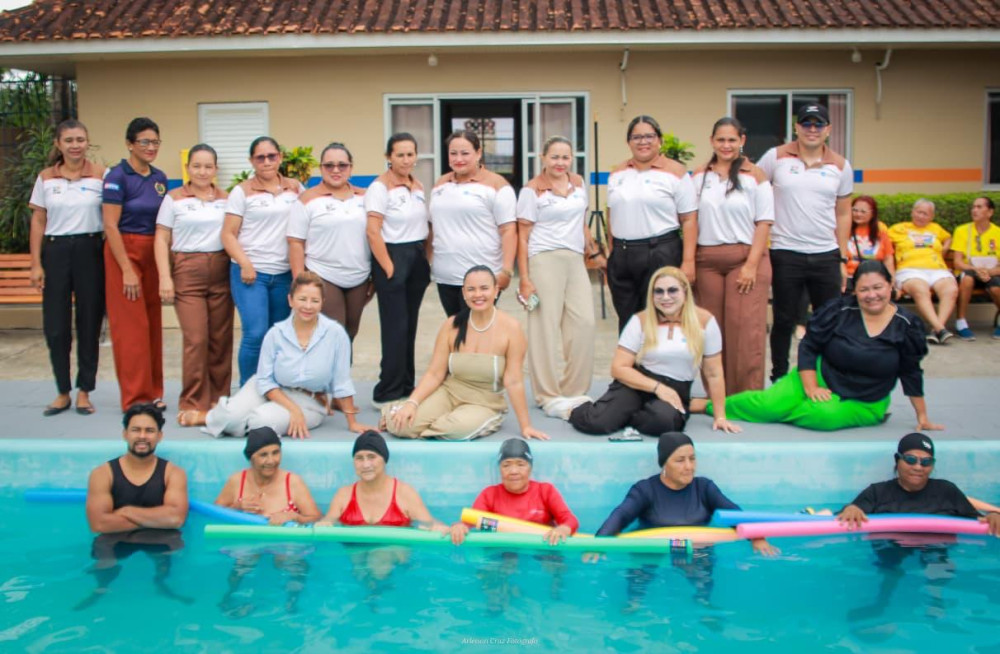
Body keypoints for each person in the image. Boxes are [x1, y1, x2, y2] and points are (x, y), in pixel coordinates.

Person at [719, 260, 940, 431]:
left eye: (878, 287)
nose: (871, 295)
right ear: (855, 291)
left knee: (824, 417)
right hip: (820, 376)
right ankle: (712, 406)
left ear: (890, 285)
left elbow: (911, 371)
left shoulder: (907, 325)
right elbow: (809, 346)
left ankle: (783, 409)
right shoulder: (839, 311)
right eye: (864, 290)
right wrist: (811, 387)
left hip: (865, 400)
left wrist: (922, 417)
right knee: (767, 405)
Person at [382, 266, 549, 441]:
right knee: (401, 426)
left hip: (484, 402)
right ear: (464, 293)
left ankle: (437, 423)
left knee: (453, 429)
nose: (478, 294)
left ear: (496, 290)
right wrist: (412, 403)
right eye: (471, 289)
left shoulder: (512, 328)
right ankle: (401, 413)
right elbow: (434, 373)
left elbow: (513, 381)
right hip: (448, 393)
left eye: (484, 288)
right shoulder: (451, 325)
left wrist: (526, 425)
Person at [569, 266, 739, 436]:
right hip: (638, 383)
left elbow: (714, 373)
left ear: (685, 291)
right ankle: (573, 408)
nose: (665, 297)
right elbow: (618, 368)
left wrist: (720, 417)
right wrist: (657, 388)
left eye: (672, 290)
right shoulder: (640, 320)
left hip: (676, 387)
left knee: (663, 423)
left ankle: (625, 415)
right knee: (597, 423)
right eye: (659, 292)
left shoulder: (705, 321)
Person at [203, 271, 373, 439]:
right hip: (269, 389)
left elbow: (342, 381)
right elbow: (264, 380)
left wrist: (352, 422)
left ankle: (223, 419)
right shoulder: (275, 333)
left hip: (310, 401)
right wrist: (293, 410)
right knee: (232, 416)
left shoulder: (336, 334)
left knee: (261, 421)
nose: (308, 306)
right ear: (290, 300)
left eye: (315, 301)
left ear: (322, 303)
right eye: (302, 299)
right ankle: (215, 418)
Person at [758, 104, 854, 382]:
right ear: (797, 127)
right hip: (785, 252)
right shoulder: (775, 157)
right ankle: (779, 377)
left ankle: (824, 376)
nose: (812, 130)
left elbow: (843, 212)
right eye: (807, 124)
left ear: (828, 130)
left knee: (828, 321)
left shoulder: (840, 165)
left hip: (826, 254)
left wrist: (843, 257)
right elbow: (754, 188)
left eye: (818, 125)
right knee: (784, 321)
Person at [516, 136, 602, 417]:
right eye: (554, 157)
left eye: (565, 157)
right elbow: (523, 236)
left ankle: (574, 391)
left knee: (584, 323)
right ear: (542, 158)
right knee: (544, 327)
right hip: (544, 260)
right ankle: (547, 394)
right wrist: (525, 278)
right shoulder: (532, 191)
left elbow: (582, 223)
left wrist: (592, 250)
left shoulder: (578, 184)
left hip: (575, 259)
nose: (560, 163)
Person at [28, 119, 105, 417]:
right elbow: (38, 221)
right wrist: (36, 263)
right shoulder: (46, 178)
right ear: (58, 144)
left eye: (80, 139)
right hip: (56, 252)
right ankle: (62, 392)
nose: (75, 145)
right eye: (69, 140)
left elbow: (110, 217)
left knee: (89, 323)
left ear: (87, 142)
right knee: (57, 328)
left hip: (90, 250)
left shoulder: (100, 175)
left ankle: (85, 391)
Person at [78, 403, 189, 608]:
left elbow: (176, 519)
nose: (142, 436)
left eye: (149, 430)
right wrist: (155, 520)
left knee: (172, 551)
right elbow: (99, 525)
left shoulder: (173, 473)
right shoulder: (102, 473)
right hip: (114, 539)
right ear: (125, 434)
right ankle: (101, 589)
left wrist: (127, 512)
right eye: (136, 430)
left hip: (160, 538)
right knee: (105, 560)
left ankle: (162, 583)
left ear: (159, 436)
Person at [692, 117, 774, 394]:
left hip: (746, 258)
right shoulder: (699, 176)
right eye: (720, 140)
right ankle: (718, 395)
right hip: (707, 261)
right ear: (712, 141)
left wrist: (752, 265)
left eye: (732, 140)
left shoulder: (756, 175)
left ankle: (747, 395)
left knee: (744, 329)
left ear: (742, 141)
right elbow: (689, 221)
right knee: (711, 330)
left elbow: (764, 222)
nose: (726, 145)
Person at [154, 143, 233, 427]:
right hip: (188, 271)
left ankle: (219, 399)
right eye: (197, 166)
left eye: (208, 166)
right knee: (196, 339)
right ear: (188, 168)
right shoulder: (174, 198)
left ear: (216, 169)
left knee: (220, 340)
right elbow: (162, 238)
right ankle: (192, 401)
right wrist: (165, 276)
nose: (202, 171)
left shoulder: (227, 198)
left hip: (221, 269)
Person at [222, 136, 304, 385]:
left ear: (280, 157)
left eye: (272, 156)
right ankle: (250, 389)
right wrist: (245, 264)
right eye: (260, 157)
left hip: (284, 275)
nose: (267, 161)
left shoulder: (296, 188)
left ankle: (274, 387)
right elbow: (227, 234)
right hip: (251, 274)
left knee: (279, 335)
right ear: (252, 161)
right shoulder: (241, 191)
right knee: (255, 334)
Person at [605, 115, 698, 333]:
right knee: (628, 322)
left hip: (660, 252)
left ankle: (655, 366)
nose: (643, 141)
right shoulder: (618, 173)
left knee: (659, 318)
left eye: (649, 136)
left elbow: (689, 219)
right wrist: (612, 252)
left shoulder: (676, 173)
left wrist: (689, 261)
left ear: (660, 140)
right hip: (623, 254)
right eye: (636, 137)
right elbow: (612, 214)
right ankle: (630, 366)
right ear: (629, 142)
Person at [102, 117, 169, 412]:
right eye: (144, 141)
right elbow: (110, 225)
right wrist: (127, 269)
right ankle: (135, 399)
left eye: (155, 142)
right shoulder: (117, 177)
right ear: (130, 144)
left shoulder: (160, 178)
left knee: (153, 324)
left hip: (152, 250)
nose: (150, 147)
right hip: (124, 252)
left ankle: (153, 391)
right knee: (131, 329)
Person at [365, 133, 431, 406]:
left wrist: (425, 259)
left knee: (410, 325)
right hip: (392, 257)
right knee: (395, 327)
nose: (406, 160)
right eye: (400, 154)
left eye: (410, 154)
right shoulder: (380, 188)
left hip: (415, 257)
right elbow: (372, 231)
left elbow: (424, 226)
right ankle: (388, 390)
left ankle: (406, 384)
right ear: (389, 157)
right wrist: (389, 267)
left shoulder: (417, 186)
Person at [288, 142, 371, 342]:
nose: (336, 170)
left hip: (359, 277)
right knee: (333, 334)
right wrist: (301, 283)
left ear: (351, 167)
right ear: (321, 168)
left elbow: (376, 235)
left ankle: (341, 373)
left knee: (350, 333)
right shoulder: (307, 199)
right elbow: (296, 242)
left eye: (342, 165)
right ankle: (329, 374)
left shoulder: (365, 197)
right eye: (329, 165)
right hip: (324, 275)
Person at [837, 433, 1000, 535]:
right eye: (910, 460)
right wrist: (851, 508)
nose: (918, 467)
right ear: (897, 460)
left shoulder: (946, 491)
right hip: (890, 548)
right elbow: (849, 512)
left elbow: (976, 518)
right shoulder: (877, 492)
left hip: (936, 550)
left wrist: (993, 516)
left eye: (926, 462)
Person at [428, 130, 517, 316]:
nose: (458, 158)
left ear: (478, 153)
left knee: (478, 334)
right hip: (446, 276)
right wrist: (430, 261)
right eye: (453, 153)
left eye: (465, 153)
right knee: (456, 333)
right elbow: (432, 226)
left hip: (481, 279)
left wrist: (506, 271)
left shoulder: (497, 185)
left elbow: (509, 230)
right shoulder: (440, 185)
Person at [450, 439, 580, 546]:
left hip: (543, 545)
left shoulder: (545, 491)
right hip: (504, 548)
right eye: (506, 465)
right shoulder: (489, 495)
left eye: (521, 464)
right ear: (500, 469)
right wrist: (460, 527)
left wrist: (563, 529)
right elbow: (471, 521)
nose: (513, 471)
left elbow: (570, 519)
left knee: (554, 568)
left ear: (530, 468)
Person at [317, 431, 452, 530]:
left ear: (384, 459)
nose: (366, 465)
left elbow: (428, 524)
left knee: (379, 561)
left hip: (393, 557)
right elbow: (327, 523)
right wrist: (323, 523)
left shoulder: (404, 493)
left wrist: (451, 529)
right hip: (355, 559)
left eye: (372, 457)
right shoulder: (344, 495)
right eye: (359, 458)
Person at [214, 427, 321, 525]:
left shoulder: (292, 482)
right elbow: (214, 513)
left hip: (284, 544)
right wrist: (236, 507)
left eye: (275, 453)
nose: (271, 461)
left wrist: (294, 516)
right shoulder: (237, 481)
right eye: (263, 455)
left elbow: (317, 518)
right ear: (251, 458)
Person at [887, 199, 958, 344]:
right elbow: (882, 239)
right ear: (912, 212)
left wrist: (945, 248)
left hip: (937, 269)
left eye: (925, 214)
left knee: (951, 290)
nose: (921, 216)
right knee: (921, 290)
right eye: (919, 212)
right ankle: (940, 329)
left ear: (931, 217)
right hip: (910, 270)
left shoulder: (936, 228)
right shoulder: (899, 228)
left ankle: (936, 329)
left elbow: (948, 237)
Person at [951, 196, 1000, 340]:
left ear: (990, 212)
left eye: (979, 207)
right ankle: (961, 322)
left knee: (996, 288)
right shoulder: (962, 231)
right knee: (967, 279)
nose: (975, 210)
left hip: (992, 273)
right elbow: (958, 263)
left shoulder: (997, 233)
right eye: (973, 207)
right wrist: (976, 269)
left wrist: (989, 272)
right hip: (969, 271)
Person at [845, 195, 894, 286]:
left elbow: (888, 259)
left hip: (874, 278)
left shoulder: (881, 230)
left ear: (873, 213)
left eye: (863, 211)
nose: (858, 214)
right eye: (855, 210)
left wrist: (891, 283)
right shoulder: (844, 229)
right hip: (849, 278)